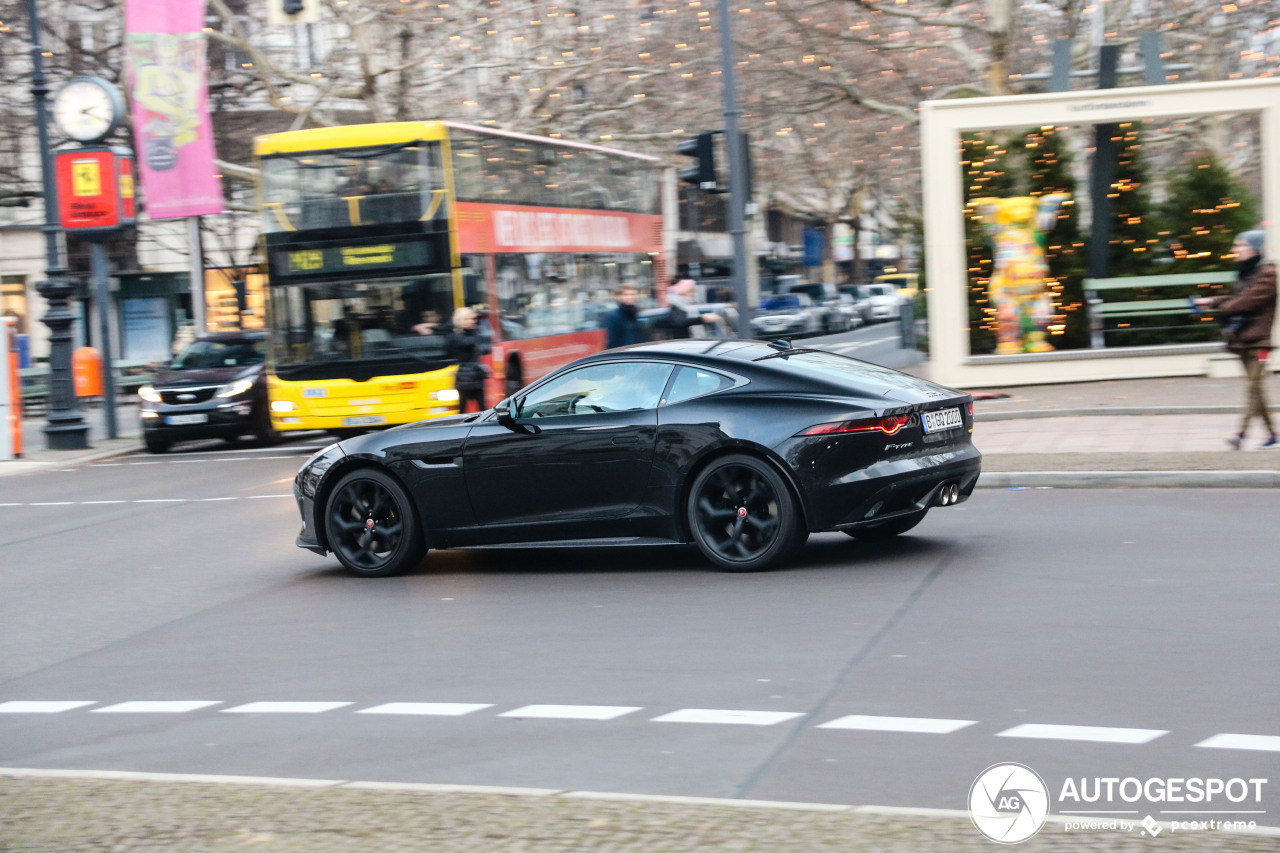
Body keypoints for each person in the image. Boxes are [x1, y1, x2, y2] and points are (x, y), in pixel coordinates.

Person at [1195, 229, 1276, 449]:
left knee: (1253, 388)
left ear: (1253, 248)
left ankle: (1240, 434)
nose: (1234, 250)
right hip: (1242, 340)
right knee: (1256, 389)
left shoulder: (1268, 274)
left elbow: (1246, 301)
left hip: (1259, 342)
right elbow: (1235, 297)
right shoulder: (1246, 273)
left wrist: (1222, 309)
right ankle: (1273, 435)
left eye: (1239, 245)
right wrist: (1210, 301)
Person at [449, 307, 489, 413]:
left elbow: (485, 348)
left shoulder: (473, 334)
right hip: (465, 379)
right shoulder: (457, 337)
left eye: (473, 319)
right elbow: (470, 342)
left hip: (475, 376)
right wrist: (476, 331)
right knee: (462, 409)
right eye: (467, 319)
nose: (472, 322)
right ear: (459, 321)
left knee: (483, 409)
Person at [604, 285, 646, 349]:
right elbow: (612, 341)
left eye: (632, 294)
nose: (630, 297)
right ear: (619, 297)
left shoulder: (638, 314)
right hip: (624, 355)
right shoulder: (613, 316)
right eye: (626, 294)